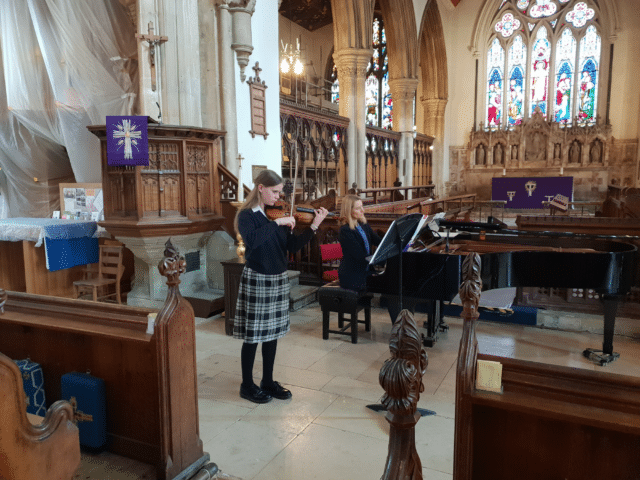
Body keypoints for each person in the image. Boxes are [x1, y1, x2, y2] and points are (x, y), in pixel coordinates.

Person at [234, 169, 329, 404]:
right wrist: (278, 223)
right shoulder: (247, 216)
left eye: (279, 192)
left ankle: (267, 380)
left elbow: (293, 246)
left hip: (277, 278)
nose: (278, 197)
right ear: (261, 189)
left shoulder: (275, 214)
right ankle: (247, 385)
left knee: (272, 334)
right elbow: (253, 242)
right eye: (274, 192)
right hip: (257, 277)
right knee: (253, 335)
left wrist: (313, 226)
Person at [337, 195, 412, 324]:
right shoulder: (345, 231)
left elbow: (379, 241)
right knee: (390, 290)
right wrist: (382, 259)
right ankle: (398, 327)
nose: (363, 211)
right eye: (358, 208)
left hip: (364, 271)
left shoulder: (363, 225)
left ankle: (403, 323)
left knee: (395, 287)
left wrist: (397, 242)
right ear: (349, 211)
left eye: (362, 207)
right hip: (352, 275)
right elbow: (360, 257)